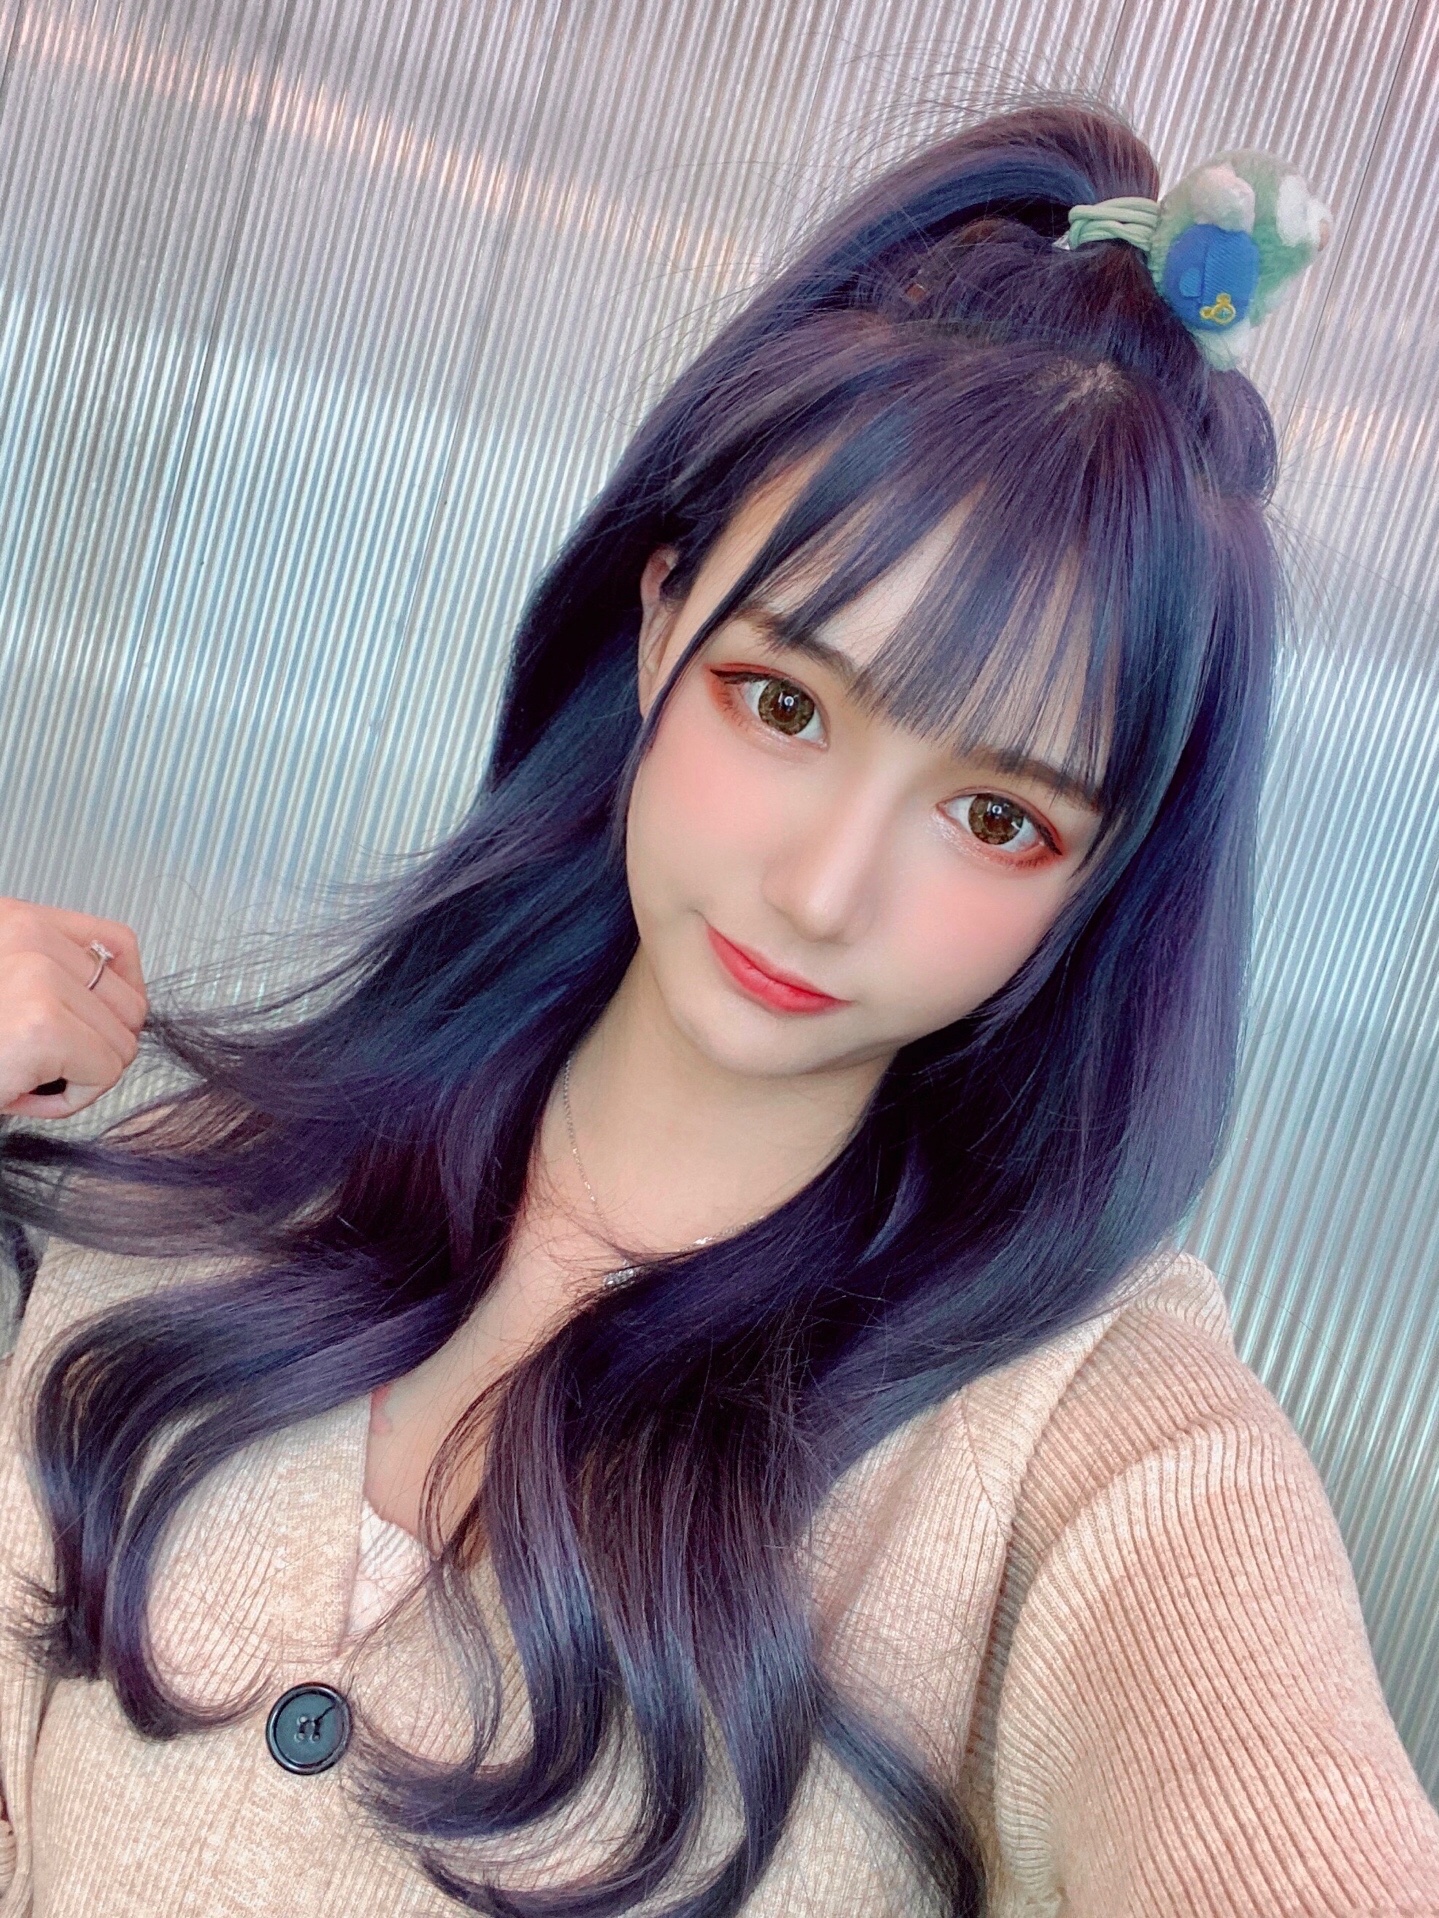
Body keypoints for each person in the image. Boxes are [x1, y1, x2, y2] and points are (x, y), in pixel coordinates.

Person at [0, 102, 1436, 1917]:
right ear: (665, 620)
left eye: (996, 816)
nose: (824, 889)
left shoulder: (1088, 1441)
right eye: (787, 704)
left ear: (1100, 879)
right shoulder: (220, 1177)